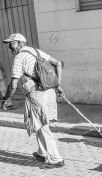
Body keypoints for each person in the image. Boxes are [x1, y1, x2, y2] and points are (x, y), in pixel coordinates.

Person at [1, 33, 65, 169]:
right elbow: (58, 64)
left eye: (11, 43)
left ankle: (55, 158)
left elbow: (13, 85)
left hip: (37, 94)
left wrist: (5, 99)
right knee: (37, 122)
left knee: (42, 125)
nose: (9, 47)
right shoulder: (36, 51)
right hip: (49, 91)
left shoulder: (19, 57)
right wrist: (57, 85)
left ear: (19, 43)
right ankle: (42, 152)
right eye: (8, 44)